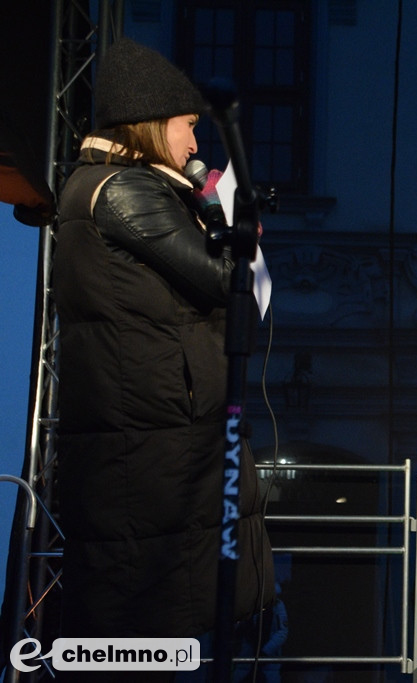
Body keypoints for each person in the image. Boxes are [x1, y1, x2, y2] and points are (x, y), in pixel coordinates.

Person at [52, 38, 274, 678]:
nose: (194, 143)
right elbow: (222, 276)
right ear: (152, 125)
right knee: (153, 616)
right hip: (154, 441)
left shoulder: (117, 187)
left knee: (161, 610)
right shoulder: (126, 191)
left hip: (156, 430)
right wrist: (226, 213)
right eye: (186, 126)